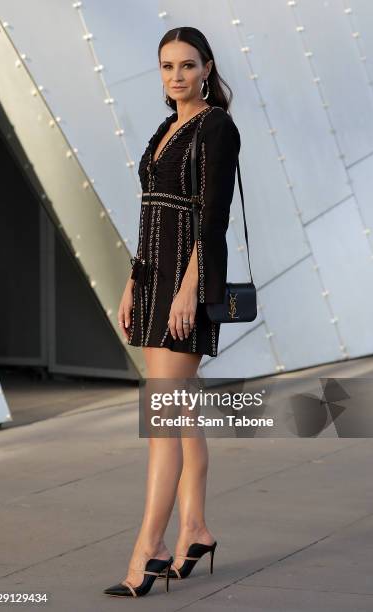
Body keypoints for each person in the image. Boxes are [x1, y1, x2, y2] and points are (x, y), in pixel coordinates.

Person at [104, 26, 240, 598]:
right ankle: (196, 530)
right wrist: (133, 283)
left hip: (185, 285)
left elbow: (211, 221)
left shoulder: (216, 127)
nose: (177, 76)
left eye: (187, 65)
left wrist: (189, 291)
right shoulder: (166, 128)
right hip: (153, 281)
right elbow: (149, 216)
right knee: (179, 415)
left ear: (207, 68)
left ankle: (149, 547)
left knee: (162, 418)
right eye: (167, 67)